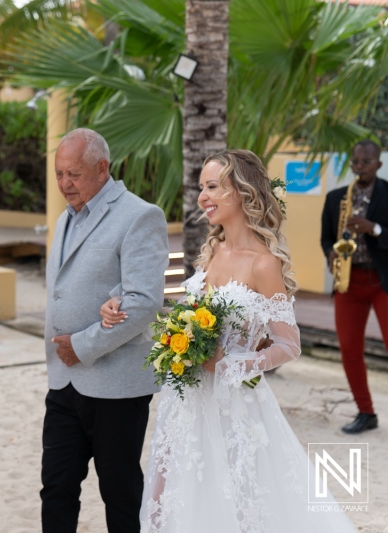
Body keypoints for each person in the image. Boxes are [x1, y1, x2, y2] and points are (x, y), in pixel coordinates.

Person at [109, 149, 358, 532]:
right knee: (170, 497)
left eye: (212, 187)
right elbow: (188, 317)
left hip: (233, 405)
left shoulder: (263, 262)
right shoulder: (210, 253)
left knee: (240, 503)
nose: (202, 197)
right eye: (201, 188)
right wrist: (167, 333)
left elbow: (289, 344)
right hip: (186, 400)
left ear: (241, 192)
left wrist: (231, 363)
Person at [42, 128, 169, 532]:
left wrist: (81, 345)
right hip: (63, 383)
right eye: (59, 174)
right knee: (56, 488)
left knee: (120, 493)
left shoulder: (140, 215)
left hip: (117, 386)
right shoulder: (65, 217)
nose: (65, 184)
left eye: (74, 174)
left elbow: (144, 301)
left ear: (102, 168)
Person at [321, 139, 387, 434]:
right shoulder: (336, 197)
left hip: (383, 280)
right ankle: (366, 412)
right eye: (355, 162)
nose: (359, 168)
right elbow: (325, 236)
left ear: (379, 164)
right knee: (349, 349)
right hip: (349, 281)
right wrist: (331, 253)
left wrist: (373, 228)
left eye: (366, 162)